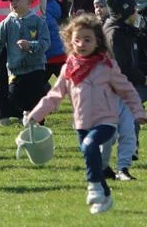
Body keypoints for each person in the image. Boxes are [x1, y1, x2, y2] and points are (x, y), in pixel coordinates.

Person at [26, 14, 147, 214]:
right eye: (77, 39)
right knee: (91, 157)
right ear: (70, 41)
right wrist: (35, 114)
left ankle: (93, 187)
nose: (82, 43)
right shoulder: (69, 69)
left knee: (91, 146)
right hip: (82, 123)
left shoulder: (107, 67)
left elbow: (127, 90)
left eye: (87, 39)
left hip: (106, 122)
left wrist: (138, 112)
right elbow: (54, 96)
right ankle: (105, 195)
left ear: (98, 41)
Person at [0, 0, 50, 122]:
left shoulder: (38, 21)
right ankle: (26, 112)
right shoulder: (6, 23)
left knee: (35, 97)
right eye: (11, 0)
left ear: (30, 1)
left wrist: (31, 45)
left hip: (36, 67)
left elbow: (45, 42)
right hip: (15, 69)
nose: (14, 3)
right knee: (14, 95)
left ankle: (37, 123)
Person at [102, 0, 144, 181]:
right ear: (125, 12)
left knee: (128, 130)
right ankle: (102, 167)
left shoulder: (126, 31)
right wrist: (143, 79)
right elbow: (123, 66)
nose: (138, 13)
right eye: (134, 9)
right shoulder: (115, 34)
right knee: (109, 133)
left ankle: (123, 168)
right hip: (111, 91)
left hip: (126, 90)